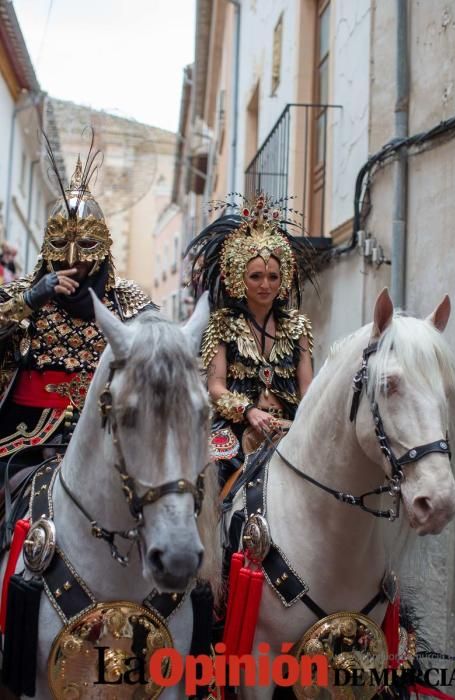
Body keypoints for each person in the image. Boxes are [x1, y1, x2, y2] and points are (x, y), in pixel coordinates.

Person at [0, 140, 154, 481]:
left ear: (101, 248)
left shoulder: (128, 300)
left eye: (84, 246)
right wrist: (28, 301)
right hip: (23, 435)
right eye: (59, 245)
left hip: (106, 433)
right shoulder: (20, 291)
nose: (71, 259)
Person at [187, 193, 315, 487]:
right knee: (205, 481)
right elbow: (216, 386)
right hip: (234, 428)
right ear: (238, 278)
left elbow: (307, 388)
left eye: (273, 276)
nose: (265, 284)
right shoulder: (222, 324)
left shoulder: (298, 326)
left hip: (290, 426)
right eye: (256, 276)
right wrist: (248, 411)